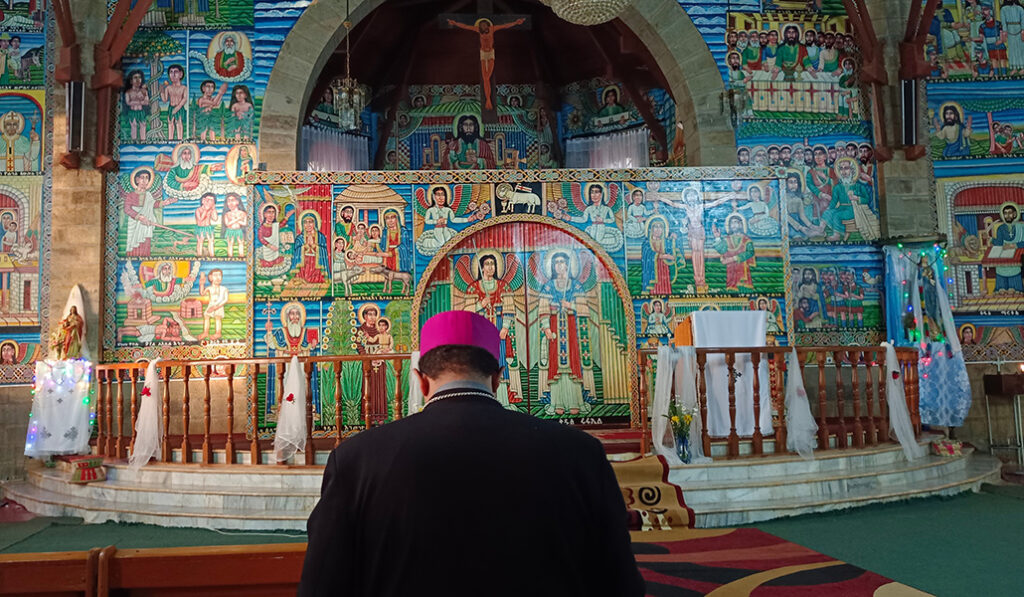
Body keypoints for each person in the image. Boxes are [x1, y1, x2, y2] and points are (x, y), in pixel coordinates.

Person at [298, 310, 644, 597]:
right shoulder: (581, 452)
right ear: (496, 379)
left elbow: (322, 586)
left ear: (420, 381)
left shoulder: (357, 458)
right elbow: (621, 585)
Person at [447, 17, 525, 110]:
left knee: (488, 77)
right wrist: (455, 23)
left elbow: (505, 26)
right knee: (485, 78)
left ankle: (489, 100)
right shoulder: (478, 30)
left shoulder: (492, 29)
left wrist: (516, 22)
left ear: (488, 25)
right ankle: (488, 100)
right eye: (481, 26)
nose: (483, 27)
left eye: (484, 25)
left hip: (491, 53)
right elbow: (466, 26)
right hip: (483, 54)